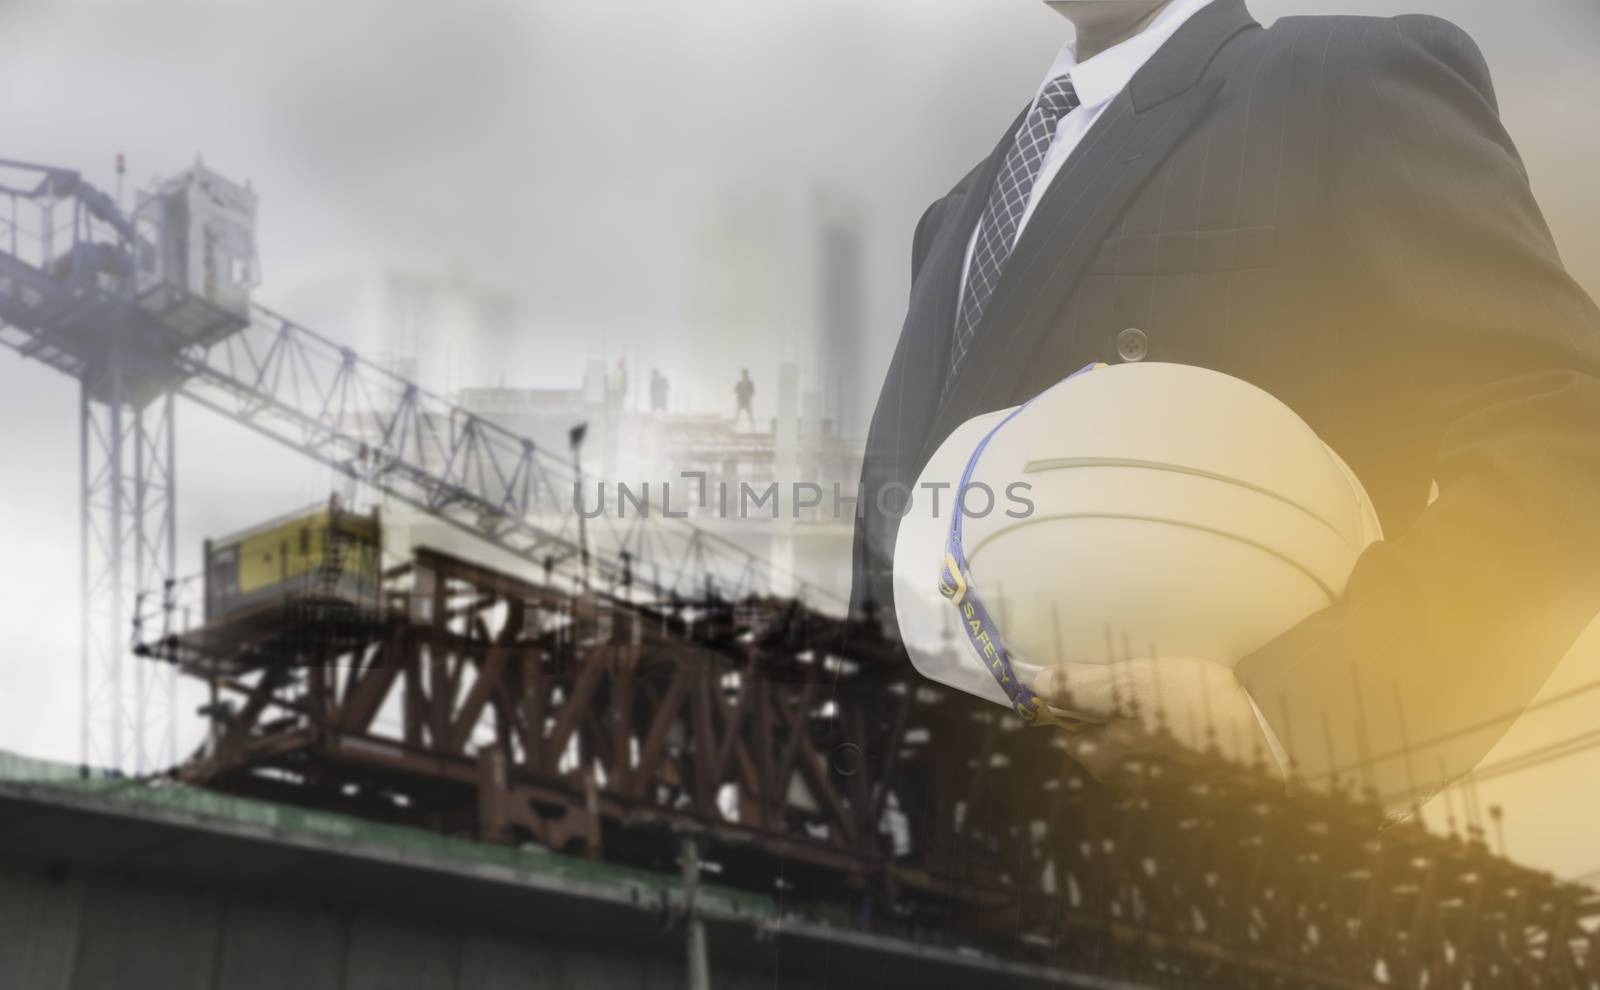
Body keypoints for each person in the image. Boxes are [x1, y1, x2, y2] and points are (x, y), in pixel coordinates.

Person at [851, 0, 1600, 803]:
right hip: (924, 880)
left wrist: (1287, 721)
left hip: (1198, 876)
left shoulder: (1343, 84)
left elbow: (1564, 431)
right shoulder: (953, 220)